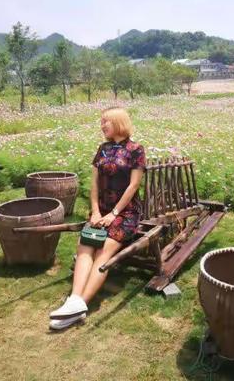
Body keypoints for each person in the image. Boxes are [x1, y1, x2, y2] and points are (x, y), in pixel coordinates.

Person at [49, 107, 146, 330]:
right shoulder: (102, 149)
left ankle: (80, 303)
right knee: (85, 246)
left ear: (119, 122)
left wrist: (113, 214)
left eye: (106, 122)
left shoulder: (135, 149)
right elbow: (94, 183)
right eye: (101, 122)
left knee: (104, 251)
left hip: (126, 213)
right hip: (100, 210)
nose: (102, 126)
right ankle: (74, 301)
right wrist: (95, 211)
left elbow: (134, 185)